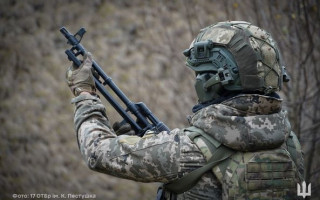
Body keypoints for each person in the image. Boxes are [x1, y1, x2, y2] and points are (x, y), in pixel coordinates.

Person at [66, 21, 304, 200]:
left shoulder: (188, 152)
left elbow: (97, 152)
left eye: (200, 75)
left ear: (214, 81)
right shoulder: (289, 143)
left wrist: (85, 94)